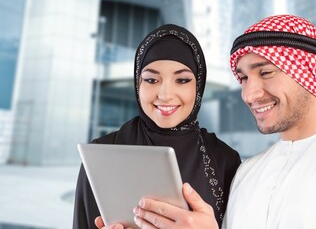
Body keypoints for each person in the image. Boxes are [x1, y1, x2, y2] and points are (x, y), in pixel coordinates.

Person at [103, 14, 316, 229]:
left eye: (266, 72)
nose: (248, 95)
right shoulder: (247, 173)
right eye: (244, 78)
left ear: (310, 72)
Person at [72, 24, 241, 229]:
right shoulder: (99, 156)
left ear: (198, 86)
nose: (165, 94)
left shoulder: (224, 160)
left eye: (182, 80)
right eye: (151, 79)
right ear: (137, 84)